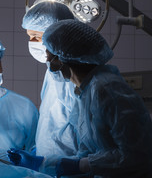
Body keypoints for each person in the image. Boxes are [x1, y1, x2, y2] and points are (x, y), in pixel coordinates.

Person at [43, 20, 152, 177]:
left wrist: (83, 165)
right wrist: (42, 163)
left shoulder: (107, 89)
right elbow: (87, 153)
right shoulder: (84, 93)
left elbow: (137, 155)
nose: (48, 64)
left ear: (62, 57)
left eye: (49, 56)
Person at [8, 1, 78, 175]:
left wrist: (51, 162)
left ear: (56, 35)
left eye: (36, 37)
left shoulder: (73, 78)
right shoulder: (53, 73)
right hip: (51, 166)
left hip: (68, 168)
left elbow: (82, 137)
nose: (31, 42)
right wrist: (37, 152)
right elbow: (52, 122)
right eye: (29, 36)